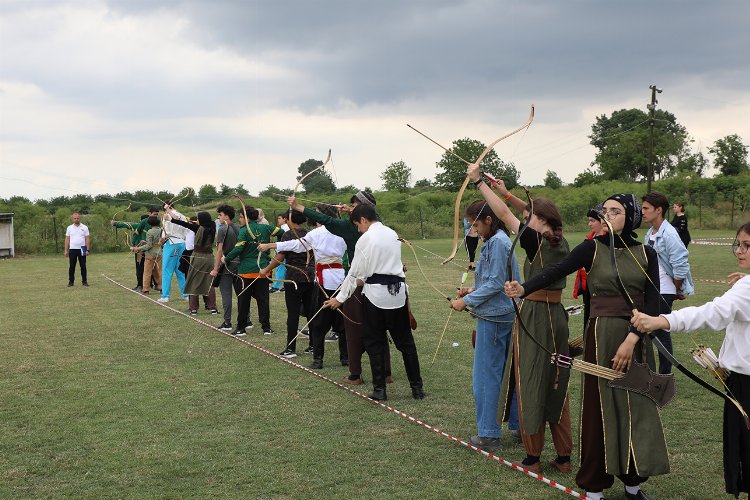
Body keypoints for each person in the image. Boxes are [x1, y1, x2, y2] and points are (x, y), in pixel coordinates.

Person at [505, 194, 667, 500]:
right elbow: (556, 270)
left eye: (615, 211)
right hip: (601, 336)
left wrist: (633, 338)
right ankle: (594, 487)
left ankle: (633, 485)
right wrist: (524, 287)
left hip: (637, 338)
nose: (607, 215)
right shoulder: (591, 247)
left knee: (637, 409)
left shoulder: (646, 253)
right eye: (604, 210)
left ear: (630, 217)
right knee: (598, 410)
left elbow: (654, 301)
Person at [631, 221, 750, 498]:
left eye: (747, 246)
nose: (739, 251)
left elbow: (712, 313)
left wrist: (661, 320)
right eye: (739, 244)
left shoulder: (747, 289)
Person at [467, 163, 573, 473]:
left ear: (541, 222)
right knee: (558, 380)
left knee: (530, 380)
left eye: (530, 218)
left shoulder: (536, 241)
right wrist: (506, 192)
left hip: (538, 317)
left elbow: (502, 215)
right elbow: (527, 211)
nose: (525, 220)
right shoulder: (558, 239)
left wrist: (479, 183)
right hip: (557, 316)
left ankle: (533, 457)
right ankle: (564, 456)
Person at [289, 190, 393, 386]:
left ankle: (355, 374)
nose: (349, 208)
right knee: (380, 329)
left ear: (364, 211)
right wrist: (351, 211)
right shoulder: (384, 228)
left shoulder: (350, 228)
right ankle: (386, 373)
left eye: (354, 206)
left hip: (360, 284)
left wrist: (298, 207)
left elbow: (325, 220)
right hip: (384, 285)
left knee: (353, 329)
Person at [323, 203, 424, 401]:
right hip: (398, 294)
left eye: (357, 225)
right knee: (406, 343)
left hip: (376, 296)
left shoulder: (366, 238)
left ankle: (380, 390)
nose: (358, 229)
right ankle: (417, 388)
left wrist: (339, 298)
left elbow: (355, 273)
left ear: (363, 219)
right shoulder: (392, 233)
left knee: (375, 341)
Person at [448, 199, 520, 451]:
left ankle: (489, 434)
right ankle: (519, 427)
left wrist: (466, 300)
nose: (475, 230)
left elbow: (497, 283)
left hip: (497, 318)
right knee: (507, 372)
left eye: (477, 225)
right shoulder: (493, 241)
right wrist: (471, 289)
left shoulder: (499, 243)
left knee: (487, 376)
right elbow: (491, 280)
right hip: (499, 314)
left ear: (489, 220)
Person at [259, 203, 348, 368]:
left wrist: (271, 245)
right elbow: (298, 244)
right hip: (340, 279)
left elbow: (297, 245)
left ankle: (318, 360)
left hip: (324, 280)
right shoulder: (343, 230)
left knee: (320, 320)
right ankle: (345, 358)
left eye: (316, 214)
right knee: (340, 320)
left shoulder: (318, 232)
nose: (313, 217)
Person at [642, 192, 695, 374]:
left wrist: (677, 288)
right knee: (653, 331)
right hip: (653, 289)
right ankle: (657, 371)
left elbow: (681, 263)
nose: (642, 212)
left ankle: (665, 374)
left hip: (664, 290)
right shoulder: (651, 232)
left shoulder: (670, 234)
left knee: (660, 332)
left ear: (658, 210)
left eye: (646, 208)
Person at [260, 210, 316, 358]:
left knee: (293, 313)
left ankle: (291, 349)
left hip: (294, 279)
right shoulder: (311, 233)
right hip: (310, 278)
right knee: (311, 312)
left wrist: (266, 269)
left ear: (291, 219)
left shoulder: (289, 234)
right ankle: (313, 345)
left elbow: (280, 255)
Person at [223, 207, 283, 336]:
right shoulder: (266, 228)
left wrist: (226, 258)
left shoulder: (244, 230)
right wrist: (275, 246)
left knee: (243, 300)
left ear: (247, 217)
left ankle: (241, 328)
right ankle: (266, 328)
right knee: (263, 300)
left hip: (246, 272)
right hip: (263, 270)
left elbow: (238, 249)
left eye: (240, 217)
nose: (239, 220)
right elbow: (282, 232)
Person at [167, 211, 218, 315]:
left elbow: (184, 224)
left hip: (197, 257)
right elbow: (207, 222)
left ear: (201, 221)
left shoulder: (198, 228)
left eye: (198, 219)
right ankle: (213, 308)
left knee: (193, 281)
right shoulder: (212, 228)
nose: (197, 221)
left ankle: (194, 309)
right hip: (209, 258)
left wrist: (171, 219)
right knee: (209, 282)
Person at [211, 205, 245, 331]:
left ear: (226, 216)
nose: (219, 217)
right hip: (240, 265)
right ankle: (246, 320)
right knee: (241, 294)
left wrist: (215, 269)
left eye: (220, 215)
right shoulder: (240, 227)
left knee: (226, 294)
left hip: (228, 265)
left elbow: (219, 251)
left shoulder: (222, 229)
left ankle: (227, 322)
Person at [112, 207, 160, 292]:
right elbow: (128, 225)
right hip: (141, 249)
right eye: (154, 214)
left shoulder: (157, 224)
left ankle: (154, 285)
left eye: (156, 214)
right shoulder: (143, 223)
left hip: (151, 250)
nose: (155, 216)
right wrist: (115, 223)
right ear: (149, 214)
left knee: (153, 269)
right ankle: (141, 285)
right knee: (141, 268)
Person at [157, 201, 188, 303]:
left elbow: (166, 234)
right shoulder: (182, 216)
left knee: (167, 270)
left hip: (171, 243)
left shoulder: (168, 216)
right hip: (182, 243)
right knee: (180, 270)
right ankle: (186, 295)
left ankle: (165, 296)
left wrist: (161, 241)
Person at [136, 215, 162, 294]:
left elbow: (149, 246)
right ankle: (162, 288)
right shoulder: (161, 230)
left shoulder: (149, 232)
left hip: (150, 255)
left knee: (147, 272)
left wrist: (137, 249)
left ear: (150, 223)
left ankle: (146, 289)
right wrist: (146, 242)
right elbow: (156, 242)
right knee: (159, 271)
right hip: (159, 253)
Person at [64, 212, 90, 287]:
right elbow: (67, 239)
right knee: (72, 266)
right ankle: (71, 282)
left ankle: (84, 282)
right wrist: (66, 250)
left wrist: (87, 250)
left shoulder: (84, 227)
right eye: (75, 218)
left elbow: (87, 238)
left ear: (80, 218)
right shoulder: (69, 228)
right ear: (72, 219)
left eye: (78, 218)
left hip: (82, 248)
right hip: (72, 249)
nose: (76, 219)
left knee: (83, 266)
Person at [270, 213, 290, 294]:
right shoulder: (284, 227)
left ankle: (276, 286)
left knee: (279, 268)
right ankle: (285, 286)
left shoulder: (285, 228)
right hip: (283, 251)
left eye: (279, 218)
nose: (278, 220)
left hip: (283, 252)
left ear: (284, 219)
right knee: (284, 269)